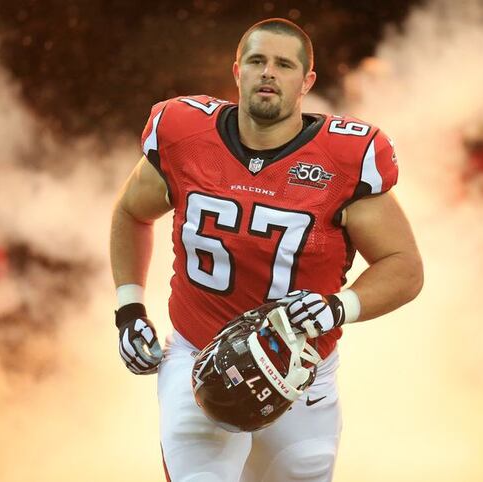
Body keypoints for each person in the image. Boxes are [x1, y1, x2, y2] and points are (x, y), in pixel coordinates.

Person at [110, 17, 423, 482]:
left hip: (299, 372)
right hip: (199, 357)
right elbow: (131, 213)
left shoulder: (344, 160)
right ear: (237, 71)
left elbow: (404, 266)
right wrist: (128, 309)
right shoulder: (184, 134)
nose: (268, 73)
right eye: (257, 61)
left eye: (283, 64)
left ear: (306, 81)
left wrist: (339, 307)